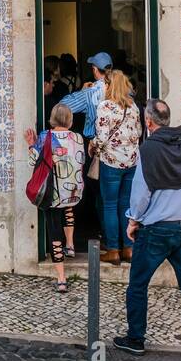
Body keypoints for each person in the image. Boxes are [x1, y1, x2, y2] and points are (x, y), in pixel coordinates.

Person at [114, 99, 181, 359]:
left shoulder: (148, 150)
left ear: (148, 122)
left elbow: (141, 193)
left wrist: (133, 219)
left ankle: (135, 339)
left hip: (155, 229)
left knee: (138, 284)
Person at [25, 103, 85, 289]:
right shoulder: (78, 137)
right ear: (69, 119)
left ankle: (61, 279)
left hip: (53, 193)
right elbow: (81, 159)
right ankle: (71, 245)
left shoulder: (45, 136)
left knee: (53, 231)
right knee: (68, 209)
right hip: (73, 190)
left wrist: (31, 146)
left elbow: (33, 161)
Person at [93, 69, 142, 265]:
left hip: (111, 162)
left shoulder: (104, 106)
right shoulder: (134, 107)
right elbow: (138, 132)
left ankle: (113, 249)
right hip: (131, 162)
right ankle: (128, 249)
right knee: (125, 205)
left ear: (110, 85)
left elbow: (102, 137)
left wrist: (93, 145)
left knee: (110, 205)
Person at [59, 51, 112, 144]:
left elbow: (62, 106)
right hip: (119, 143)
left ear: (95, 69)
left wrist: (82, 92)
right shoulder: (122, 89)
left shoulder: (90, 93)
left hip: (95, 143)